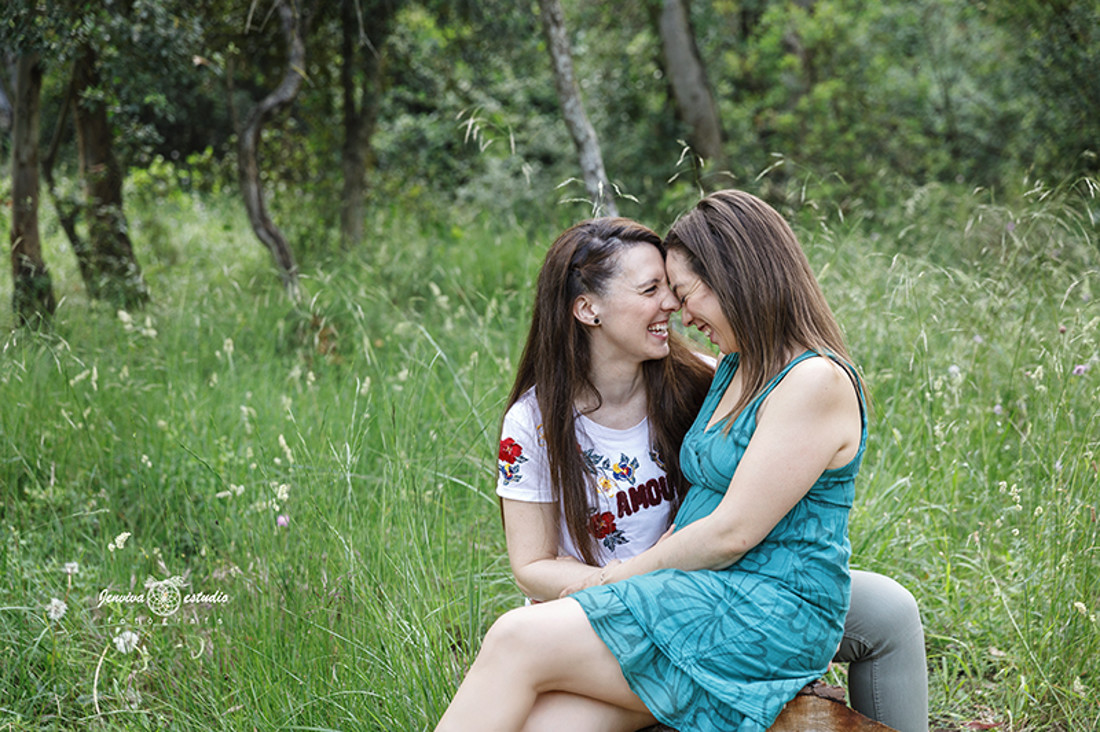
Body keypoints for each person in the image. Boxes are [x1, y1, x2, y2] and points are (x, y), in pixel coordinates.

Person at [438, 192, 926, 732]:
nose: (679, 312)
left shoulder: (797, 379)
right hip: (690, 594)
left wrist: (617, 581)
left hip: (739, 604)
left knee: (513, 636)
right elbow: (531, 562)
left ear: (736, 282)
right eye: (656, 291)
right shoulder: (730, 371)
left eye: (681, 292)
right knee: (551, 723)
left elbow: (732, 532)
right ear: (587, 309)